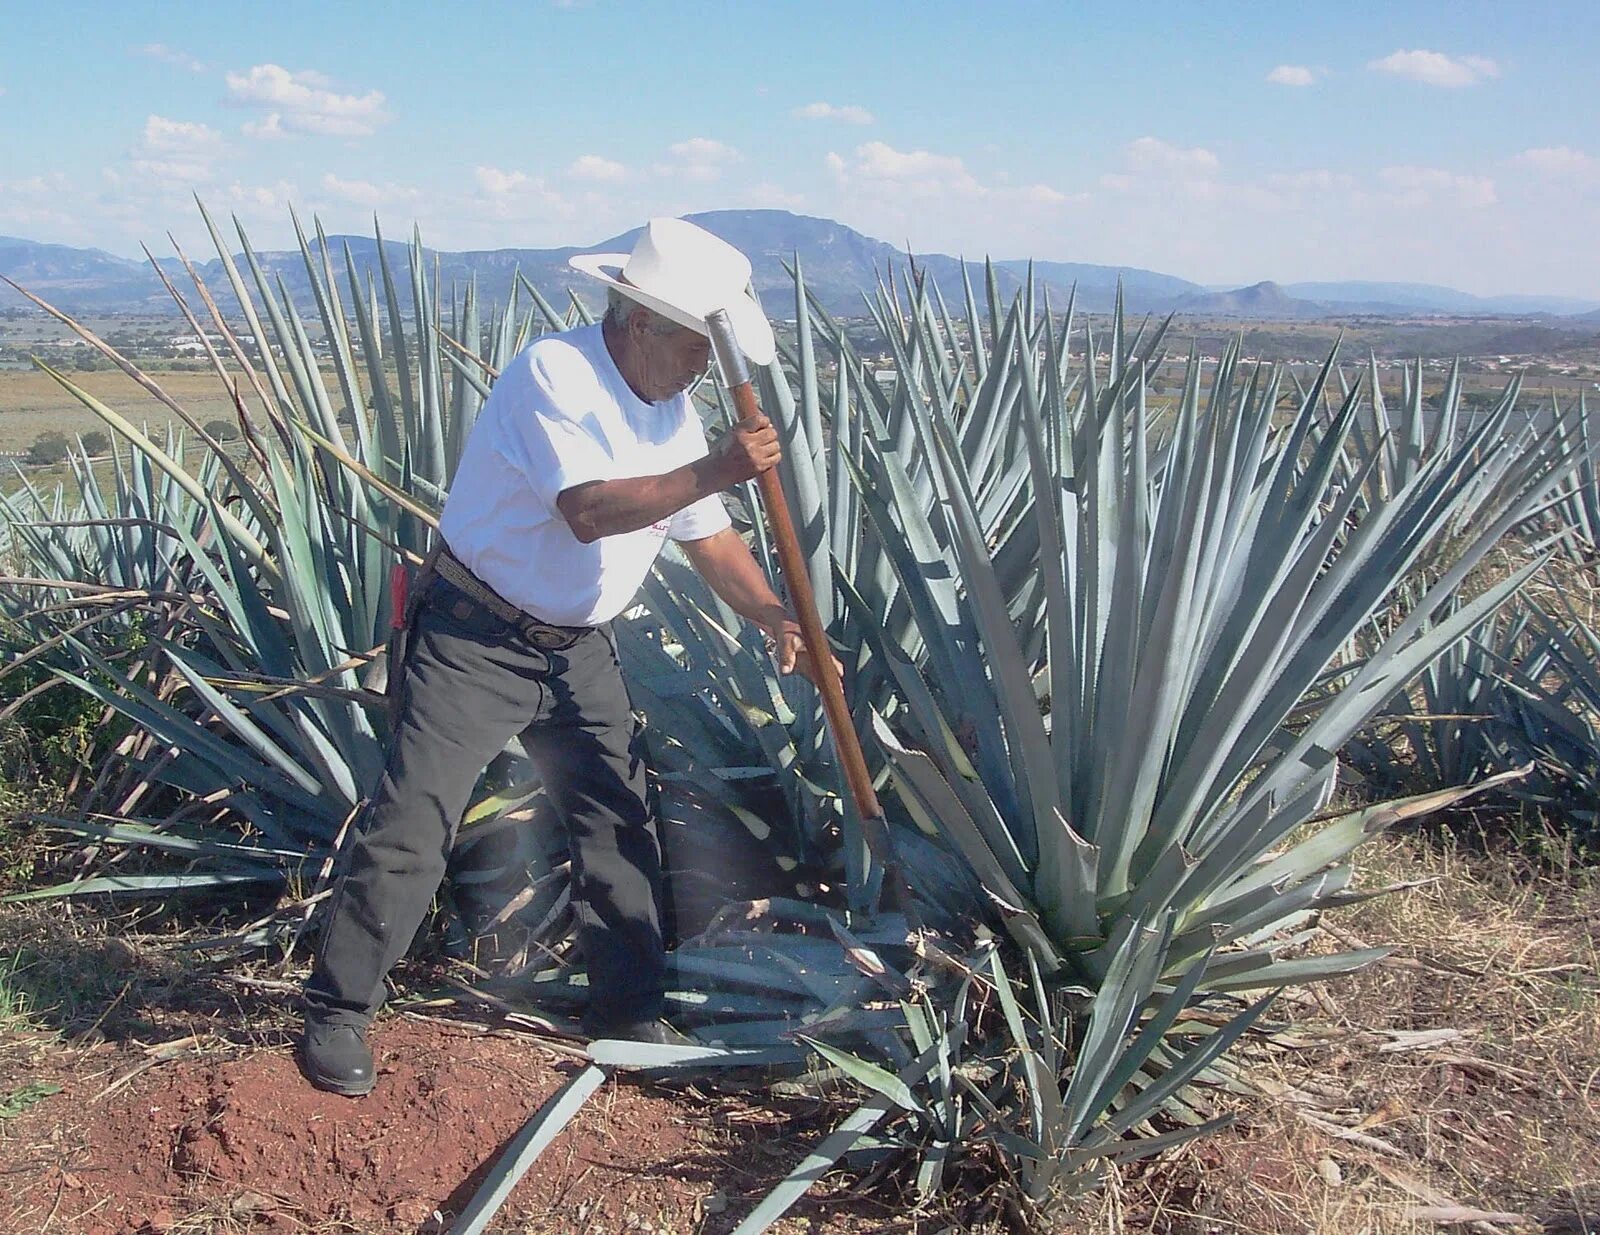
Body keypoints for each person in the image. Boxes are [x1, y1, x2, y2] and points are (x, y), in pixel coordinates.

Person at [298, 217, 833, 1097]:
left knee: (618, 813)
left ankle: (627, 1009)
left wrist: (775, 613)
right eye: (694, 342)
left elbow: (709, 540)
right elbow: (587, 509)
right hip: (478, 635)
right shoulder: (556, 373)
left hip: (575, 646)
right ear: (634, 319)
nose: (703, 363)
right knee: (415, 818)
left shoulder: (673, 409)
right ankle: (340, 1008)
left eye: (711, 346)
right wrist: (716, 468)